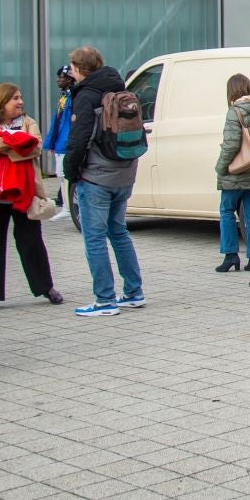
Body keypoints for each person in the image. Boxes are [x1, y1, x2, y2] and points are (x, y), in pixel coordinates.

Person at [62, 46, 146, 317]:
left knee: (94, 238)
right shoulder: (119, 89)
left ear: (77, 68)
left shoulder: (86, 95)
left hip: (96, 175)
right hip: (124, 172)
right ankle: (134, 292)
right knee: (119, 231)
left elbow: (78, 139)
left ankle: (104, 300)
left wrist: (70, 173)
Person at [0, 84, 59, 310]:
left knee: (31, 242)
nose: (20, 102)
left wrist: (2, 143)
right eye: (15, 98)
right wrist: (15, 142)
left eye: (21, 97)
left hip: (23, 193)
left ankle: (46, 287)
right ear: (1, 102)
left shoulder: (28, 122)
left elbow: (34, 148)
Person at [215, 73, 250, 275]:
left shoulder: (234, 111)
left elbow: (231, 145)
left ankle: (230, 255)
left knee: (227, 211)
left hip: (236, 171)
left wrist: (221, 167)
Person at [43, 65, 75, 221]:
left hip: (66, 142)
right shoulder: (65, 96)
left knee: (64, 175)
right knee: (61, 175)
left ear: (69, 78)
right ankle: (66, 207)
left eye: (61, 77)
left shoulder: (73, 96)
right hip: (61, 142)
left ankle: (68, 208)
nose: (58, 80)